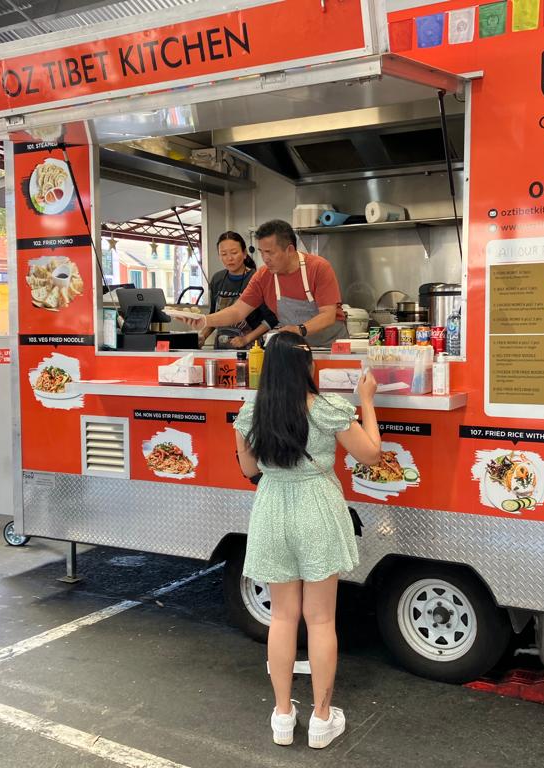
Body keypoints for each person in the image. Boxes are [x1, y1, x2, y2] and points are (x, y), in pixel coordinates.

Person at [232, 332, 381, 749]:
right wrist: (366, 400)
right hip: (317, 508)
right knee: (320, 620)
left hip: (272, 508)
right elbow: (371, 454)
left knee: (282, 618)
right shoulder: (329, 408)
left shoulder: (250, 412)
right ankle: (321, 718)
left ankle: (283, 715)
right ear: (307, 366)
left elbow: (249, 468)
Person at [188, 220, 348, 348]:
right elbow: (237, 311)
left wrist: (299, 329)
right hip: (296, 351)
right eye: (261, 252)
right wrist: (204, 320)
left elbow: (328, 315)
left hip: (332, 348)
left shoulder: (318, 267)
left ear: (290, 250)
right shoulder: (263, 276)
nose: (265, 259)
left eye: (269, 252)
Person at [200, 231, 277, 350]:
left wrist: (246, 339)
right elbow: (213, 316)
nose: (229, 258)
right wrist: (203, 336)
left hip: (251, 349)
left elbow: (271, 319)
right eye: (224, 254)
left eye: (234, 253)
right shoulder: (217, 279)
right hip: (221, 349)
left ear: (244, 253)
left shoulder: (257, 278)